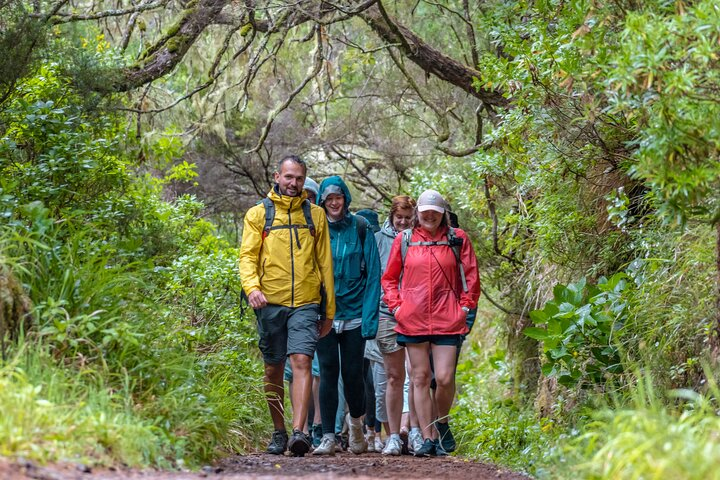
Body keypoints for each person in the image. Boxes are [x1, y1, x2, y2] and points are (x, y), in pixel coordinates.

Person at [239, 156, 335, 457]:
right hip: (270, 302)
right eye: (289, 177)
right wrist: (252, 287)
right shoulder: (258, 214)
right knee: (273, 369)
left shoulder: (315, 215)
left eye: (299, 178)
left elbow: (325, 263)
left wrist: (328, 309)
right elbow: (247, 256)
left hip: (306, 302)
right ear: (277, 176)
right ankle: (279, 431)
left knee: (302, 361)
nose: (293, 183)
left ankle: (299, 433)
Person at [381, 189, 480, 457]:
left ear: (442, 214)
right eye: (425, 212)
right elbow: (389, 279)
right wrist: (398, 307)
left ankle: (442, 423)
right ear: (418, 213)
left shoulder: (457, 239)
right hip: (412, 319)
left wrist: (464, 307)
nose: (429, 216)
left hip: (449, 318)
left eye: (435, 212)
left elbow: (471, 276)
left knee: (445, 378)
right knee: (420, 377)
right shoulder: (405, 239)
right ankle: (427, 437)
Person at [312, 176, 382, 456]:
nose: (334, 203)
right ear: (322, 202)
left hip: (354, 315)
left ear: (346, 199)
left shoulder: (361, 227)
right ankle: (328, 436)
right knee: (328, 371)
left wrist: (369, 320)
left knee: (353, 375)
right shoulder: (316, 228)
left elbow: (373, 277)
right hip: (325, 314)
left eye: (338, 198)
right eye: (328, 199)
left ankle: (356, 426)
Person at [374, 195, 416, 456]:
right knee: (392, 376)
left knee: (417, 376)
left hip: (417, 315)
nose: (402, 222)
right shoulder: (379, 239)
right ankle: (391, 435)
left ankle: (411, 431)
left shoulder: (420, 239)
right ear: (391, 216)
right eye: (398, 217)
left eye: (407, 218)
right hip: (386, 312)